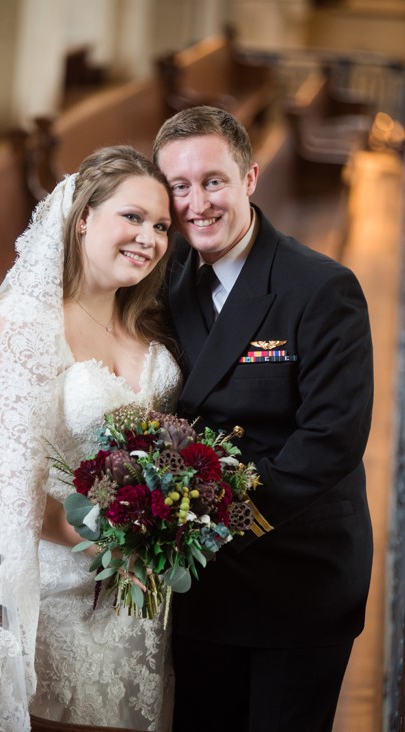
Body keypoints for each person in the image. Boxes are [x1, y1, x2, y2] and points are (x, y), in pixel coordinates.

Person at [0, 145, 181, 731]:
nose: (149, 237)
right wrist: (100, 544)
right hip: (55, 592)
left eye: (161, 225)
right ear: (83, 216)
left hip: (139, 601)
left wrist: (158, 534)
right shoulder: (24, 326)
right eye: (132, 217)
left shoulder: (151, 330)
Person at [152, 105, 373, 732]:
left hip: (294, 579)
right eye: (180, 186)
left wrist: (211, 525)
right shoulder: (164, 281)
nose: (198, 203)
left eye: (214, 180)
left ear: (249, 178)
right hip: (199, 589)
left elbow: (331, 439)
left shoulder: (321, 287)